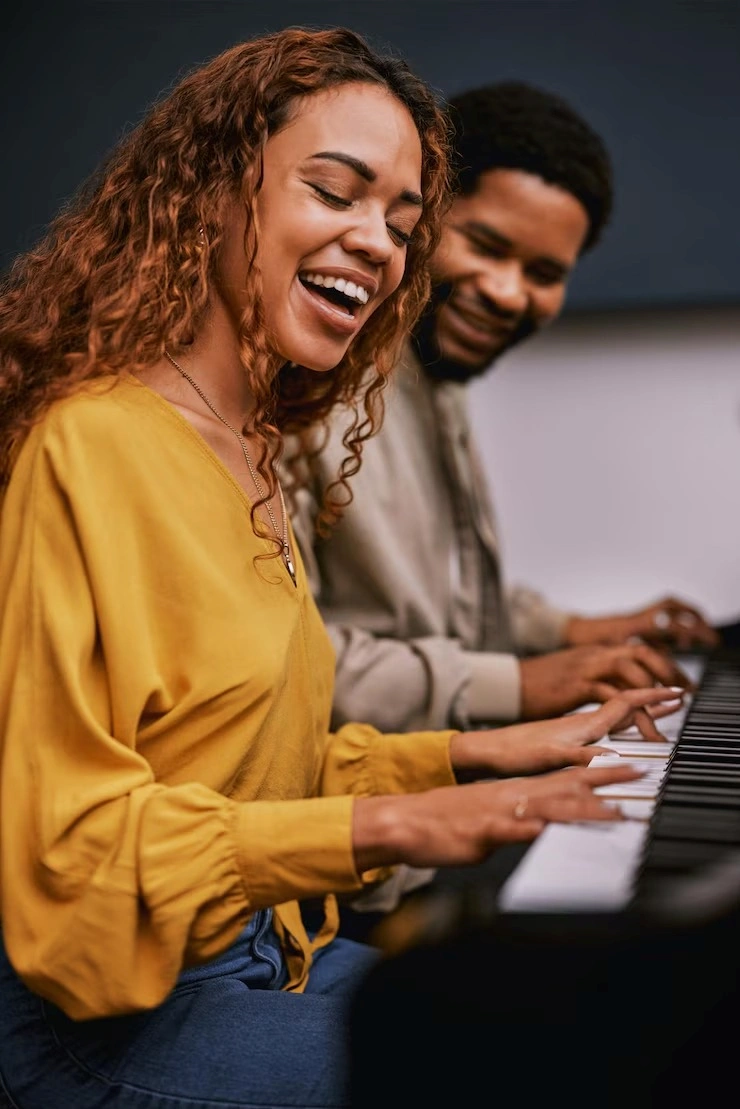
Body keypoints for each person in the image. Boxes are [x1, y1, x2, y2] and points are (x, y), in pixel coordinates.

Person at [0, 27, 679, 1109]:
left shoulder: (251, 445)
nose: (376, 243)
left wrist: (477, 751)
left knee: (608, 1020)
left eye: (401, 224)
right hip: (97, 1021)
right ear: (215, 192)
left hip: (261, 951)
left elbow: (249, 771)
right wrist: (400, 820)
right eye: (335, 192)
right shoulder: (88, 444)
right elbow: (70, 852)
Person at [291, 79, 719, 745]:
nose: (508, 293)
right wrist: (525, 684)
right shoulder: (303, 385)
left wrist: (569, 633)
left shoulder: (438, 375)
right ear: (422, 216)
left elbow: (437, 606)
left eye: (544, 274)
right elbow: (286, 667)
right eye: (487, 247)